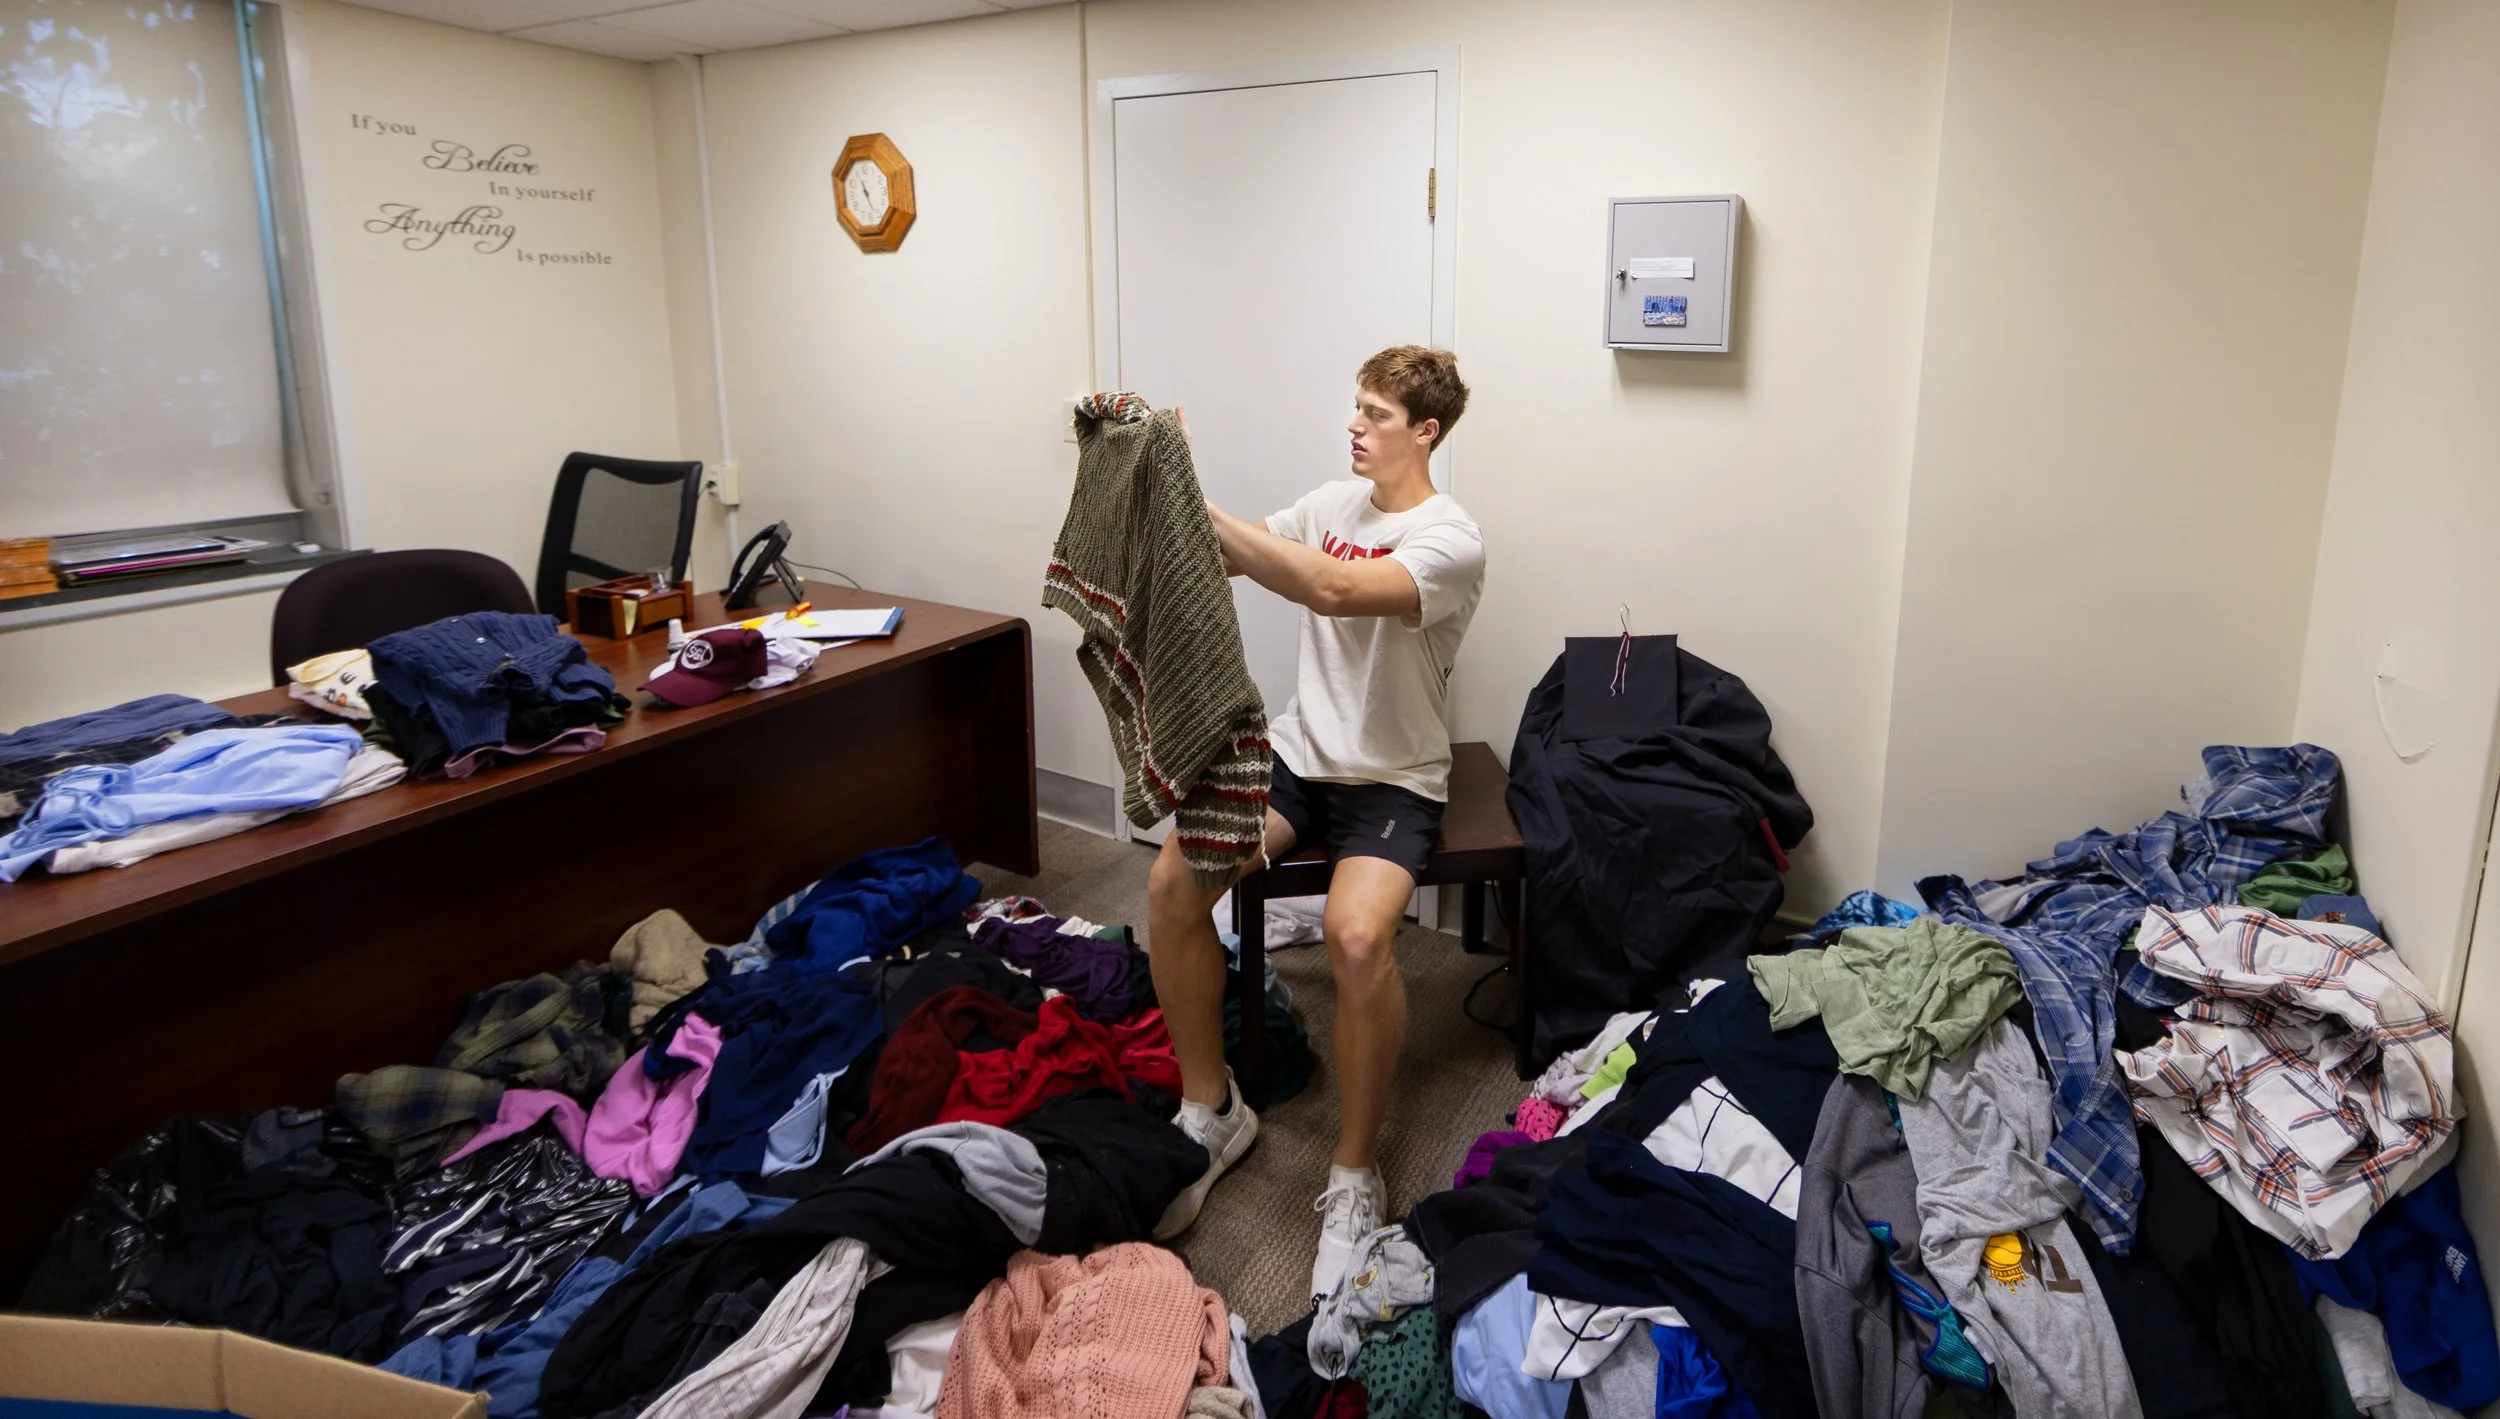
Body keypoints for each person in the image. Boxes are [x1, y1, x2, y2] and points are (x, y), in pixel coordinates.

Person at [1145, 345, 1487, 1302]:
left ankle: (1354, 1169)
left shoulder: (1451, 538)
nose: (1355, 425)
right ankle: (1211, 1107)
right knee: (1172, 885)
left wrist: (1191, 492)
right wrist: (1164, 480)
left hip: (1393, 780)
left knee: (1357, 935)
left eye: (1377, 414)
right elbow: (1230, 554)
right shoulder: (1331, 504)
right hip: (1299, 758)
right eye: (1357, 406)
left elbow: (1330, 588)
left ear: (1426, 432)